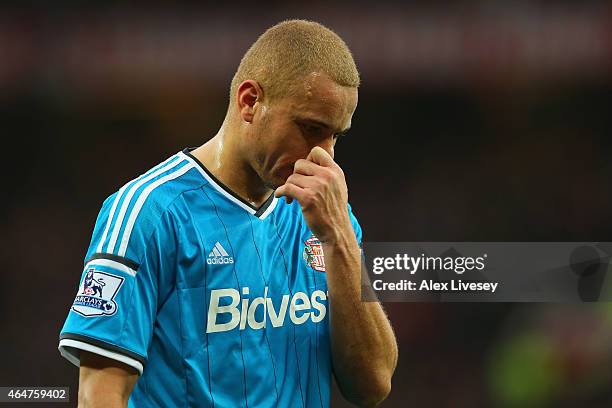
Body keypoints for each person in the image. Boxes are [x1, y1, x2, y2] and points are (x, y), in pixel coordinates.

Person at [58, 19, 398, 407]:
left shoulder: (326, 216)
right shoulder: (148, 212)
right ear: (250, 101)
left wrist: (339, 239)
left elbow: (373, 386)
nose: (324, 154)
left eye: (336, 135)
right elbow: (99, 393)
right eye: (310, 128)